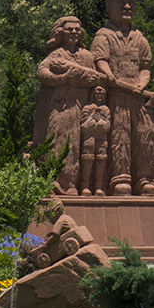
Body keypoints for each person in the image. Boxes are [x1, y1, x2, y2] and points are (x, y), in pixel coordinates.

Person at [89, 0, 154, 195]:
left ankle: (144, 179)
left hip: (138, 98)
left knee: (145, 134)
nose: (127, 7)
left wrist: (142, 84)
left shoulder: (140, 38)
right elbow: (99, 61)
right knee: (120, 134)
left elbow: (145, 67)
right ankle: (120, 179)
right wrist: (109, 75)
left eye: (131, 2)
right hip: (116, 96)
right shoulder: (104, 36)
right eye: (121, 2)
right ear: (109, 6)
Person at [32, 16, 101, 194]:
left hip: (80, 107)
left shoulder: (86, 56)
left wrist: (77, 76)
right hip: (58, 106)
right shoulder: (56, 54)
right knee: (56, 138)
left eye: (77, 29)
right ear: (60, 33)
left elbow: (94, 79)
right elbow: (41, 72)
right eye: (69, 29)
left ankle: (71, 184)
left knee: (75, 144)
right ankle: (53, 179)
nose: (73, 32)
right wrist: (62, 78)